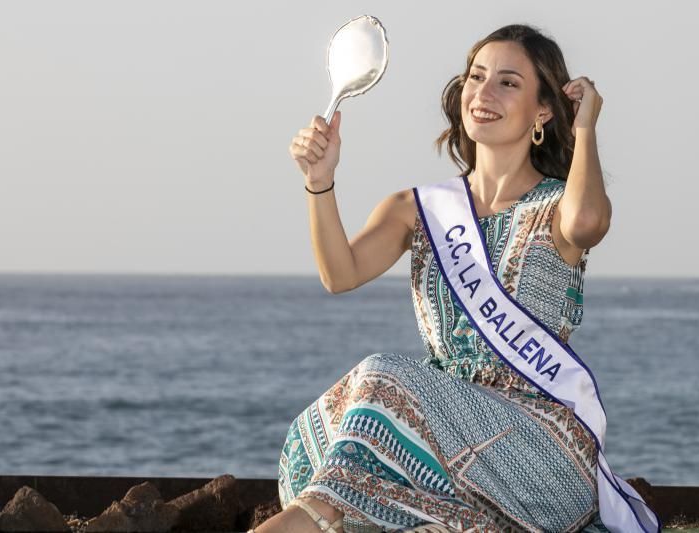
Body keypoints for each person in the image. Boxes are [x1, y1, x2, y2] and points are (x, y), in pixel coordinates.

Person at [255, 23, 629, 533]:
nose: (484, 92)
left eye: (508, 82)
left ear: (543, 111)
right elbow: (339, 274)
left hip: (542, 453)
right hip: (441, 443)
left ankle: (306, 520)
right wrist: (319, 184)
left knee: (382, 376)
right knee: (310, 438)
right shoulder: (417, 209)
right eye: (477, 76)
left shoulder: (558, 207)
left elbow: (588, 223)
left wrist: (585, 126)